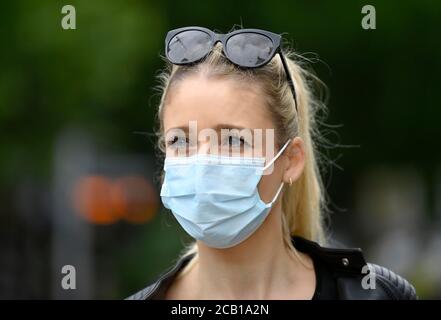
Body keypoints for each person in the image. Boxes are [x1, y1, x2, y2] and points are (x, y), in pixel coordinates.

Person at [127, 26, 417, 300]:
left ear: (291, 160)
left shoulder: (375, 294)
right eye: (180, 140)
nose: (202, 162)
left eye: (233, 140)